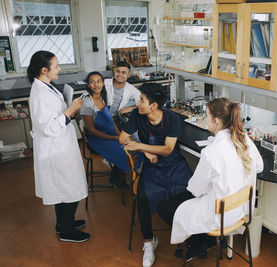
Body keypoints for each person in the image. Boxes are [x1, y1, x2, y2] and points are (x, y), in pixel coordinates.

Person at [156, 97, 264, 259]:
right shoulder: (244, 140)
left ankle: (199, 241)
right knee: (188, 200)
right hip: (241, 211)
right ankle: (203, 242)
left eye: (206, 115)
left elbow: (195, 189)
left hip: (219, 218)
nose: (205, 119)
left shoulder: (211, 153)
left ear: (216, 120)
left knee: (165, 207)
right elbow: (260, 166)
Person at [119, 83, 192, 267]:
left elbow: (168, 150)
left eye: (142, 99)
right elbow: (122, 138)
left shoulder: (172, 119)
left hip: (173, 163)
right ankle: (149, 241)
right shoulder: (137, 114)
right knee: (143, 196)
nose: (138, 102)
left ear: (153, 105)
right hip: (152, 165)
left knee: (189, 190)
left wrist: (141, 146)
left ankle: (190, 235)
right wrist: (146, 153)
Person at [28, 50, 90, 242]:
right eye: (56, 66)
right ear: (44, 70)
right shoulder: (39, 94)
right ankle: (67, 232)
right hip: (55, 149)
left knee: (63, 188)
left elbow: (55, 114)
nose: (59, 69)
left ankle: (63, 223)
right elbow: (48, 127)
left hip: (61, 146)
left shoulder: (46, 86)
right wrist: (70, 111)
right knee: (70, 188)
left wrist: (68, 109)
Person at [79, 71, 129, 187]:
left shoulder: (103, 98)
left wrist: (118, 133)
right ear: (88, 85)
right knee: (122, 150)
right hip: (95, 140)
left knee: (128, 144)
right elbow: (92, 131)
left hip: (108, 134)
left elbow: (111, 120)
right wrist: (114, 137)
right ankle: (117, 177)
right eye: (92, 82)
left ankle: (117, 174)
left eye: (99, 81)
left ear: (103, 83)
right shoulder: (86, 103)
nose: (96, 85)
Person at [104, 61, 141, 129]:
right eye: (118, 71)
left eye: (124, 73)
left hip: (118, 121)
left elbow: (143, 102)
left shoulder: (131, 89)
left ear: (128, 75)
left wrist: (130, 108)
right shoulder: (104, 83)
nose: (120, 75)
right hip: (102, 119)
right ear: (115, 72)